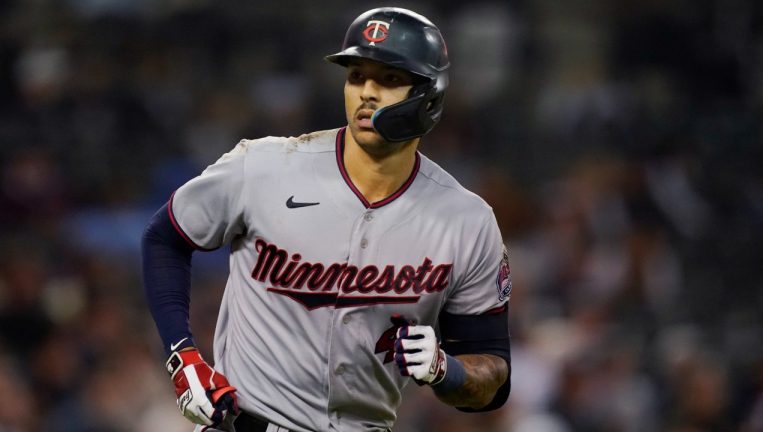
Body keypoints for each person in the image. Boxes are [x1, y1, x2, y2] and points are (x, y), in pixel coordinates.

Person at [142, 7, 512, 432]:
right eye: (356, 76)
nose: (366, 93)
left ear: (430, 95)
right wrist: (182, 357)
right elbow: (165, 237)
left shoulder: (467, 221)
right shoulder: (264, 167)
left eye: (389, 79)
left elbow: (492, 379)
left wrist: (447, 369)